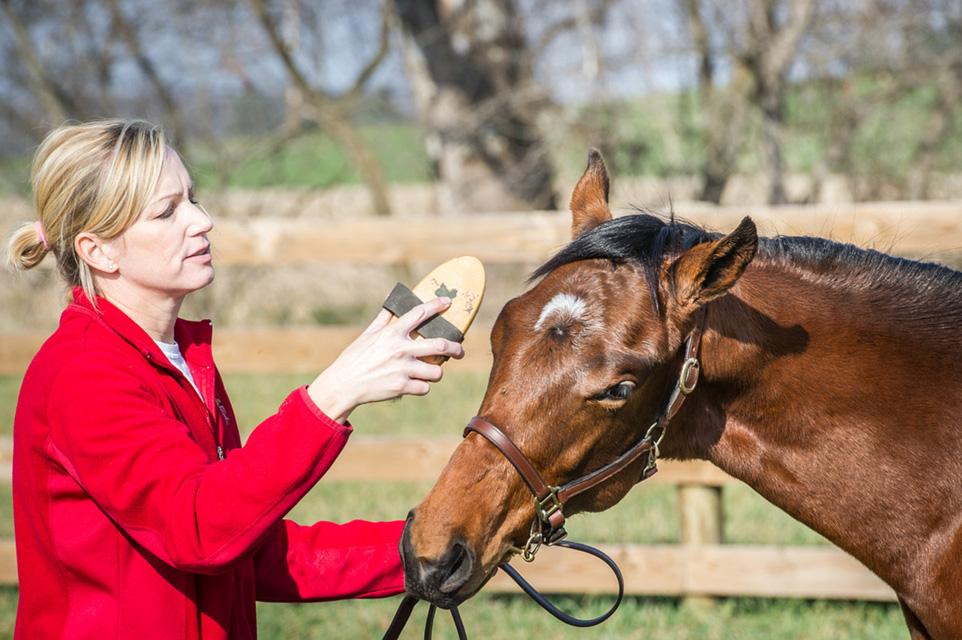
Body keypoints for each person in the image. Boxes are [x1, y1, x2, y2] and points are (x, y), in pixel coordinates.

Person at [5, 120, 464, 640]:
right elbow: (199, 529)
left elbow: (246, 546)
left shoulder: (181, 359)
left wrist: (427, 548)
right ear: (98, 250)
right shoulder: (83, 373)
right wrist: (334, 394)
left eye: (192, 199)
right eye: (166, 211)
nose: (202, 221)